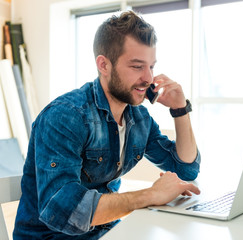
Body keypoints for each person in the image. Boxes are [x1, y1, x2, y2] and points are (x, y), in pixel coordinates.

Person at [13, 10, 201, 239]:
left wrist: (180, 109)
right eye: (136, 66)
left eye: (151, 66)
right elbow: (64, 212)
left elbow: (186, 168)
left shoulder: (139, 118)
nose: (148, 78)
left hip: (105, 232)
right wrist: (150, 195)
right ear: (104, 65)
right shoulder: (66, 116)